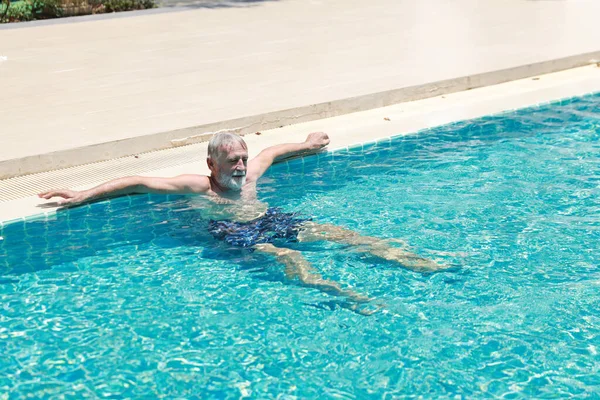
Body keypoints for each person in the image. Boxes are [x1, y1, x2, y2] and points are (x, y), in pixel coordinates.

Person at [39, 132, 447, 311]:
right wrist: (81, 195)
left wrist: (306, 145)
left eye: (242, 158)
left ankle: (419, 263)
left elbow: (273, 151)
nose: (240, 165)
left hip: (268, 217)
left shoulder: (251, 175)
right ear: (211, 164)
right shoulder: (199, 187)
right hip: (236, 233)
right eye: (231, 160)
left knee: (340, 235)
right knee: (286, 255)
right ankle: (343, 294)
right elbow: (138, 181)